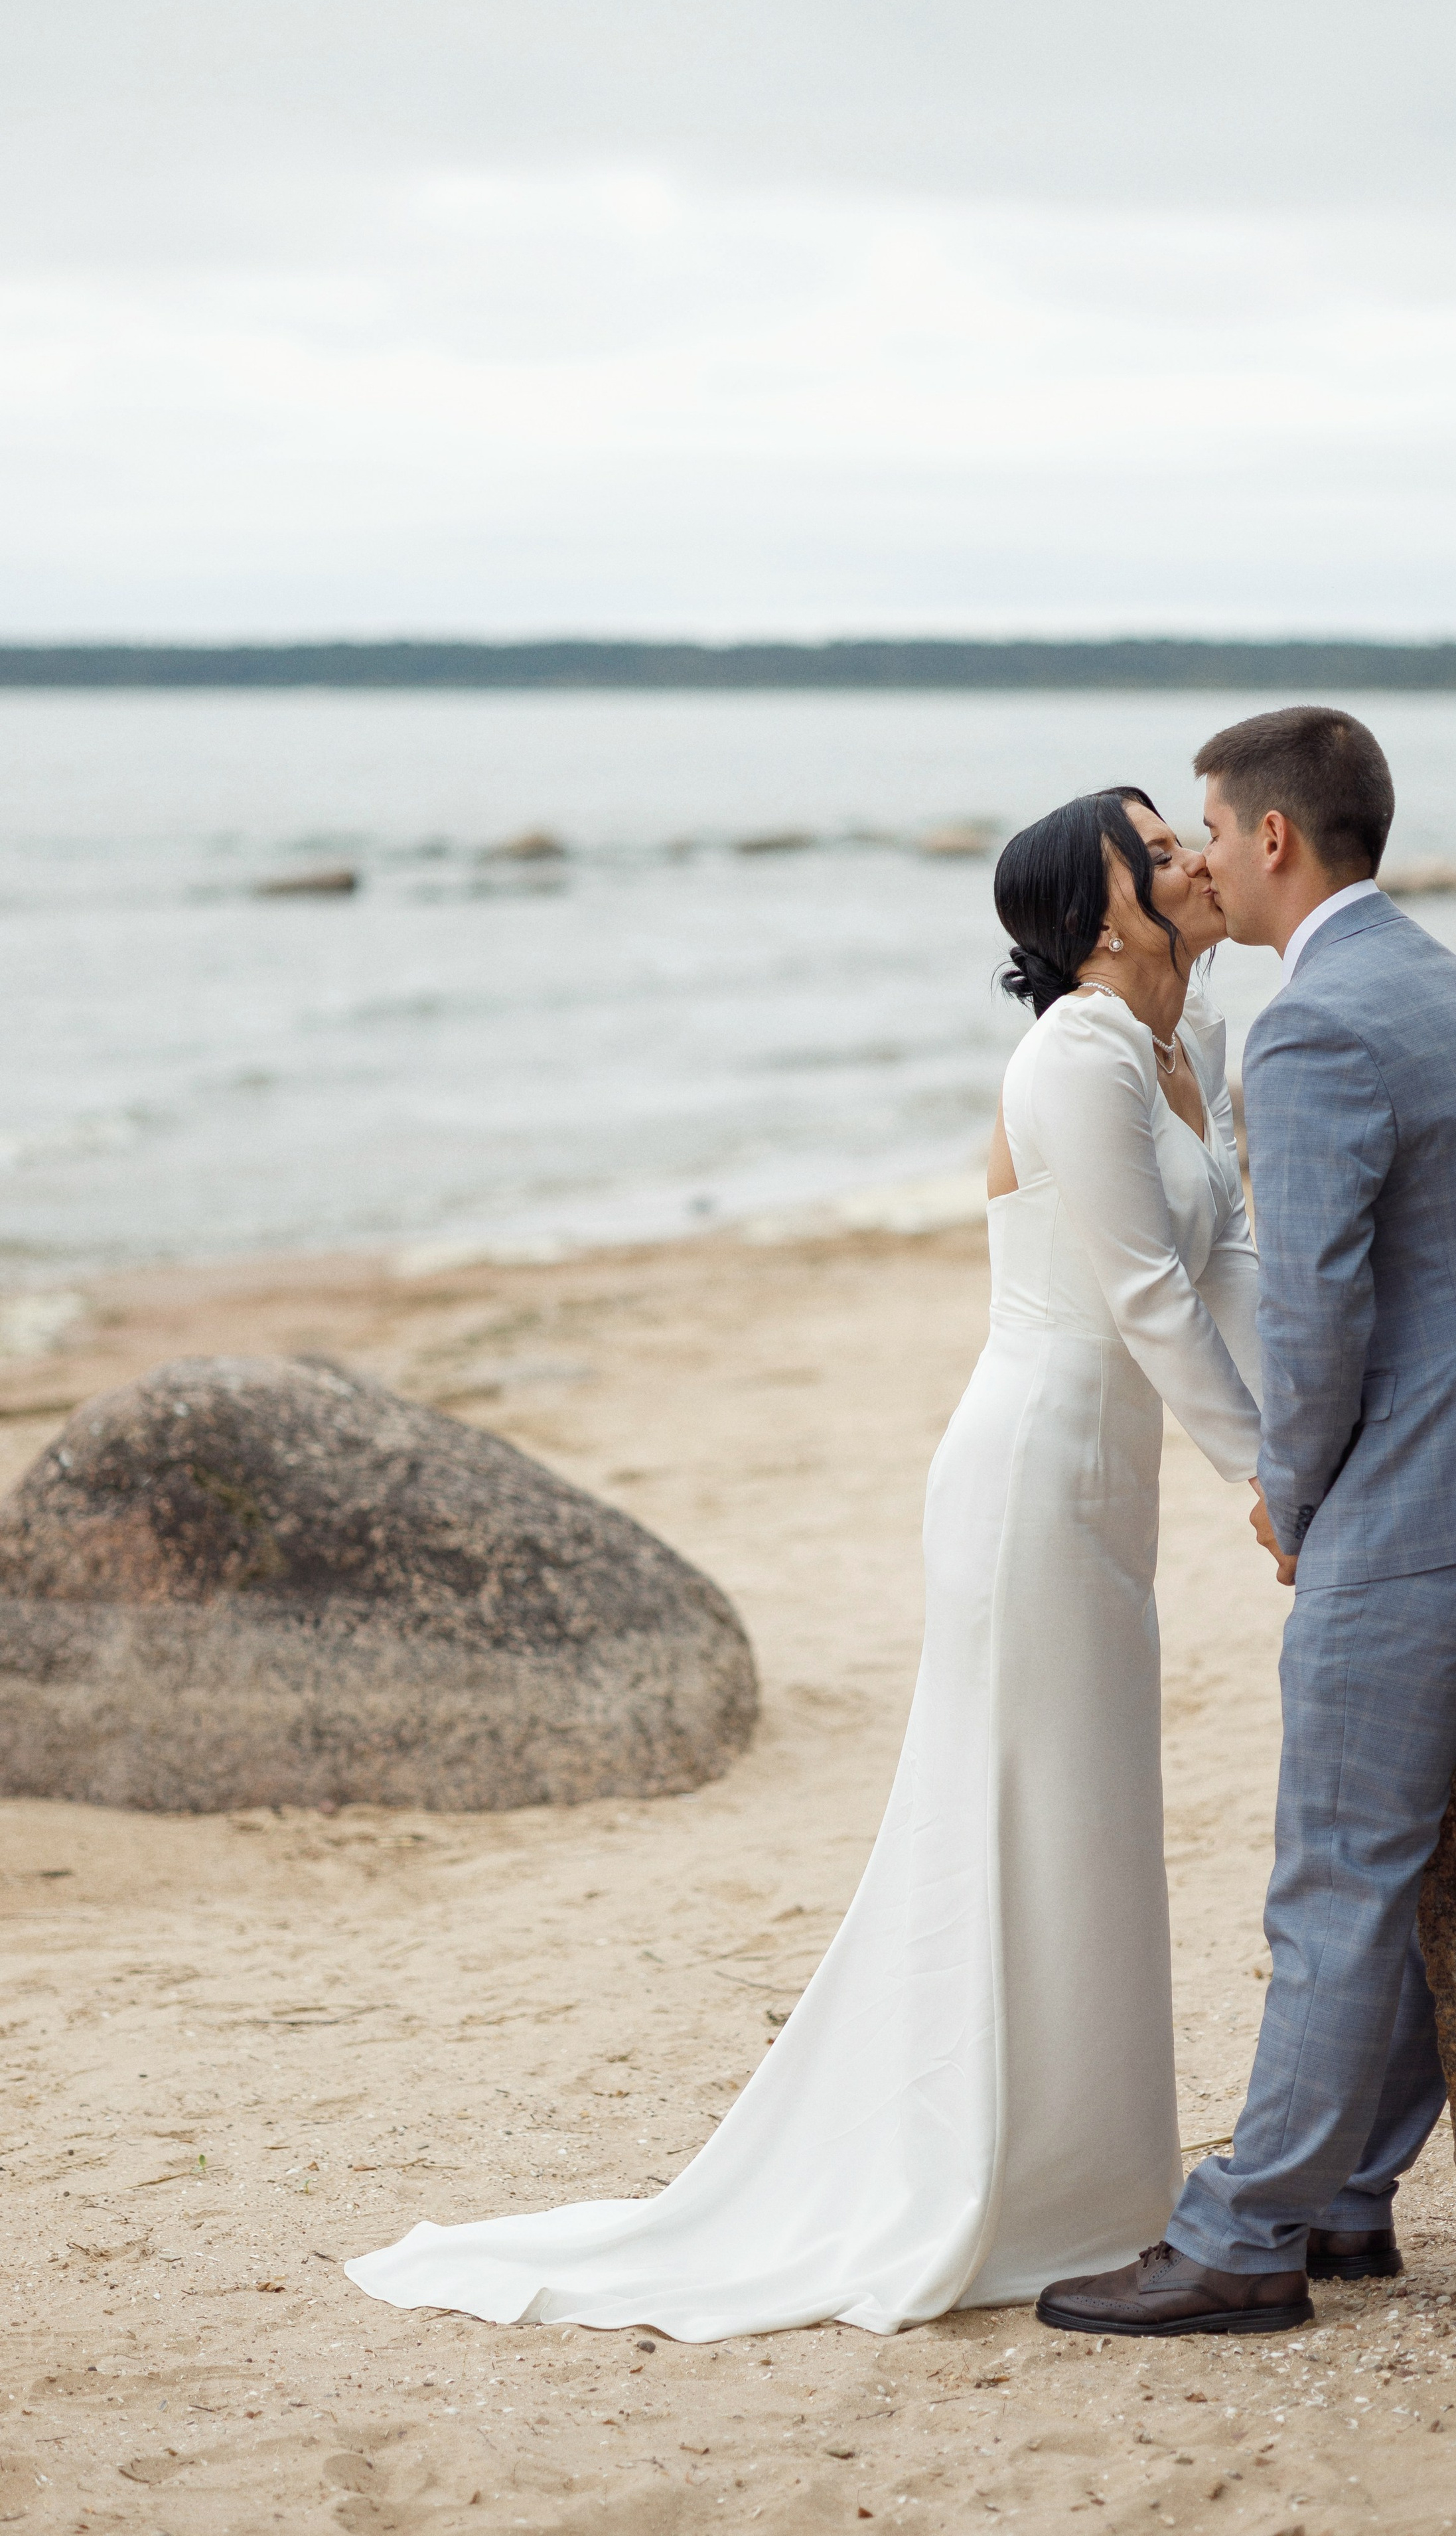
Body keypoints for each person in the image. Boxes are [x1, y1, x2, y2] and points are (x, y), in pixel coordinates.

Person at [345, 786, 1264, 2341]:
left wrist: (1305, 1435)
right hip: (1029, 1474)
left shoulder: (1194, 1050)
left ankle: (1093, 2183)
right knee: (1018, 1809)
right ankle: (1006, 2188)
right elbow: (1139, 1300)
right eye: (1154, 845)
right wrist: (1267, 1481)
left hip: (1107, 1485)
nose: (1188, 855)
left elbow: (1225, 1260)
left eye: (1187, 834)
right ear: (1097, 913)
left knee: (1090, 1813)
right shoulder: (1073, 1057)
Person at [1037, 708, 1456, 2342]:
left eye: (1207, 834)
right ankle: (1344, 2198)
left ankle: (1242, 2240)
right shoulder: (1426, 974)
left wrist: (1289, 1496)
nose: (1196, 862)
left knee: (1334, 1874)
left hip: (1432, 1493)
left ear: (1272, 840)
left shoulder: (1309, 1030)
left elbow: (1315, 1309)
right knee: (1405, 1862)